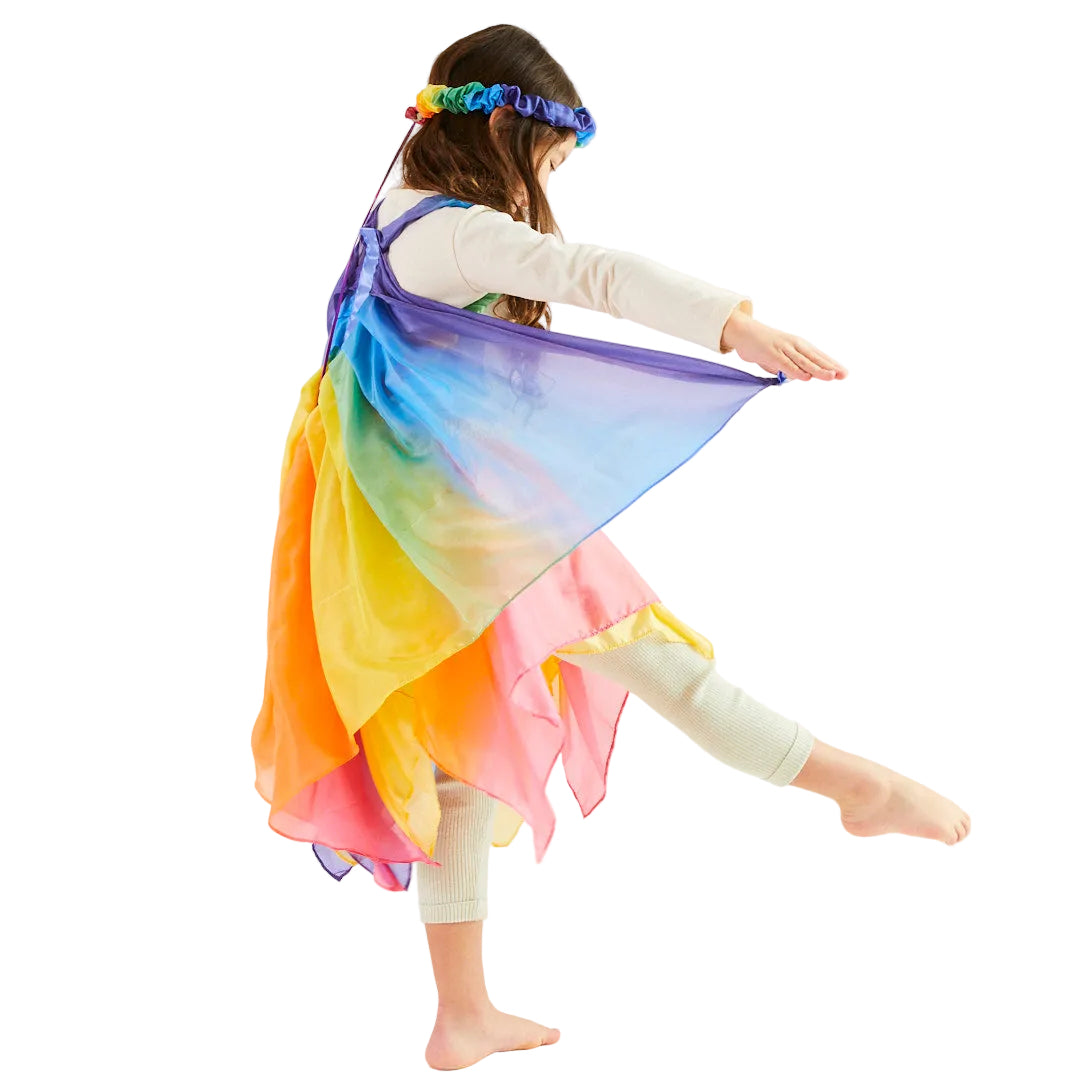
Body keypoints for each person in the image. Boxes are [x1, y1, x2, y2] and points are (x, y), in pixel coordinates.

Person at [252, 23, 971, 1073]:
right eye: (547, 164)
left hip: (402, 540)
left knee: (462, 760)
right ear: (501, 132)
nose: (545, 186)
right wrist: (733, 325)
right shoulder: (456, 234)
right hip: (468, 525)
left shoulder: (390, 211)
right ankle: (853, 786)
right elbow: (589, 271)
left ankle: (461, 1014)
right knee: (657, 658)